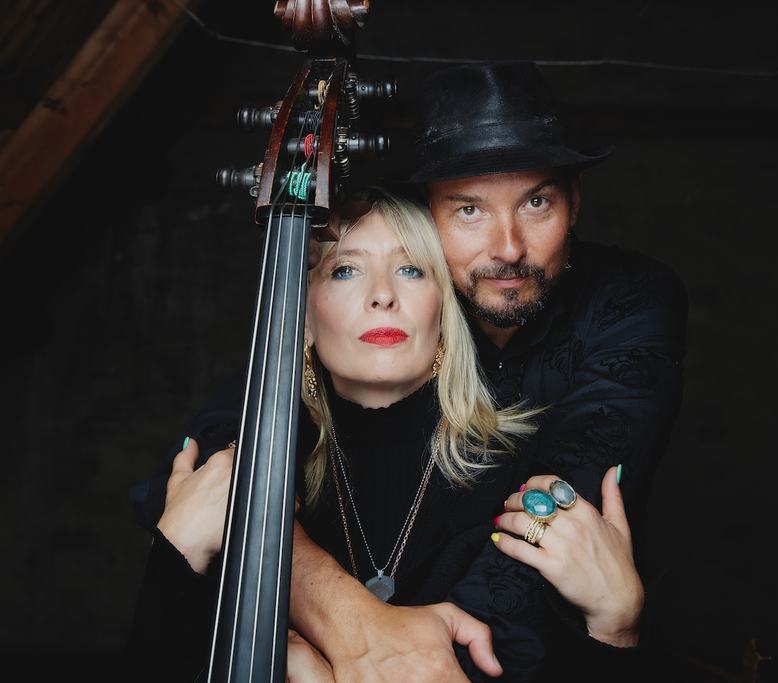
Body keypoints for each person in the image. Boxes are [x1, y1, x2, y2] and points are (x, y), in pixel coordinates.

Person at [127, 190, 646, 682]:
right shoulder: (244, 478)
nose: (382, 295)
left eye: (411, 269)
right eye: (346, 270)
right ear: (300, 319)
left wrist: (616, 630)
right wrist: (178, 548)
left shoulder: (523, 472)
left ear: (444, 312)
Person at [278, 61, 689, 682]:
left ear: (575, 201)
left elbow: (567, 502)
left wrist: (406, 659)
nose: (508, 248)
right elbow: (228, 439)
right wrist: (357, 625)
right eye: (469, 210)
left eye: (536, 202)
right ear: (428, 215)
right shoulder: (404, 308)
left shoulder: (631, 298)